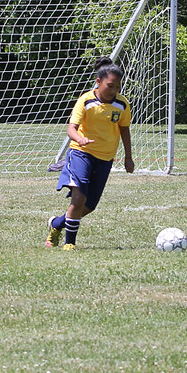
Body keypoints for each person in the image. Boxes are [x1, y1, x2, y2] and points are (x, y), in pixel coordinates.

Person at [45, 58, 135, 250]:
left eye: (117, 87)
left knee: (89, 206)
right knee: (78, 199)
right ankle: (70, 243)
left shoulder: (122, 104)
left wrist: (128, 157)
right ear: (98, 82)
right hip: (81, 153)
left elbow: (124, 129)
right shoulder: (86, 101)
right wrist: (80, 139)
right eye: (110, 86)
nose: (114, 91)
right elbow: (71, 129)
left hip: (105, 159)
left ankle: (57, 224)